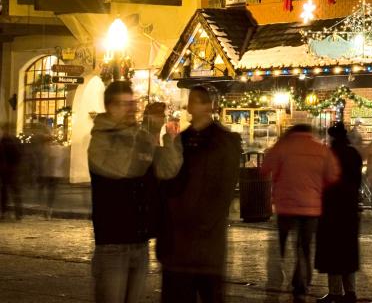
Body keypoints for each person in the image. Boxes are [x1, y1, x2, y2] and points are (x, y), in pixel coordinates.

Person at [89, 80, 181, 303]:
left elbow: (167, 170)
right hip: (112, 243)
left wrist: (166, 137)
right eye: (123, 104)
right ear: (109, 107)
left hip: (139, 243)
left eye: (132, 103)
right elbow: (124, 169)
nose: (130, 109)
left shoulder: (140, 136)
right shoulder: (100, 138)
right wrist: (147, 134)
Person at [157, 86, 240, 303]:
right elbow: (169, 182)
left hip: (206, 241)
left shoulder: (225, 141)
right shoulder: (181, 140)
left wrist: (205, 222)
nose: (191, 106)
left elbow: (225, 189)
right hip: (178, 240)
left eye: (196, 101)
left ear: (207, 106)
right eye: (191, 101)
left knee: (209, 293)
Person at [262, 123, 340, 300]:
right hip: (311, 207)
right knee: (304, 247)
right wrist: (317, 189)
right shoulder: (321, 149)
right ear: (309, 133)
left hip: (285, 207)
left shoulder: (283, 146)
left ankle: (276, 282)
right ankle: (301, 284)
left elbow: (265, 168)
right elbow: (333, 175)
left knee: (281, 245)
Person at [315, 122, 363, 303]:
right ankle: (350, 291)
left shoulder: (328, 155)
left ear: (333, 137)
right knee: (348, 251)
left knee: (333, 251)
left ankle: (335, 292)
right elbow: (357, 181)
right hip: (349, 208)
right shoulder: (354, 154)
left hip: (331, 208)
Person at [39, 133, 67, 218]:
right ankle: (49, 209)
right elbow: (64, 161)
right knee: (52, 193)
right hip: (56, 174)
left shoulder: (49, 149)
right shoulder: (60, 148)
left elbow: (47, 162)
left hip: (49, 174)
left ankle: (48, 210)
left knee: (48, 192)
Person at [0, 124, 23, 220]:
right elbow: (20, 155)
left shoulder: (3, 142)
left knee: (5, 192)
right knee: (14, 191)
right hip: (13, 169)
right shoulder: (16, 141)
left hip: (6, 170)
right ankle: (18, 213)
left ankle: (4, 212)